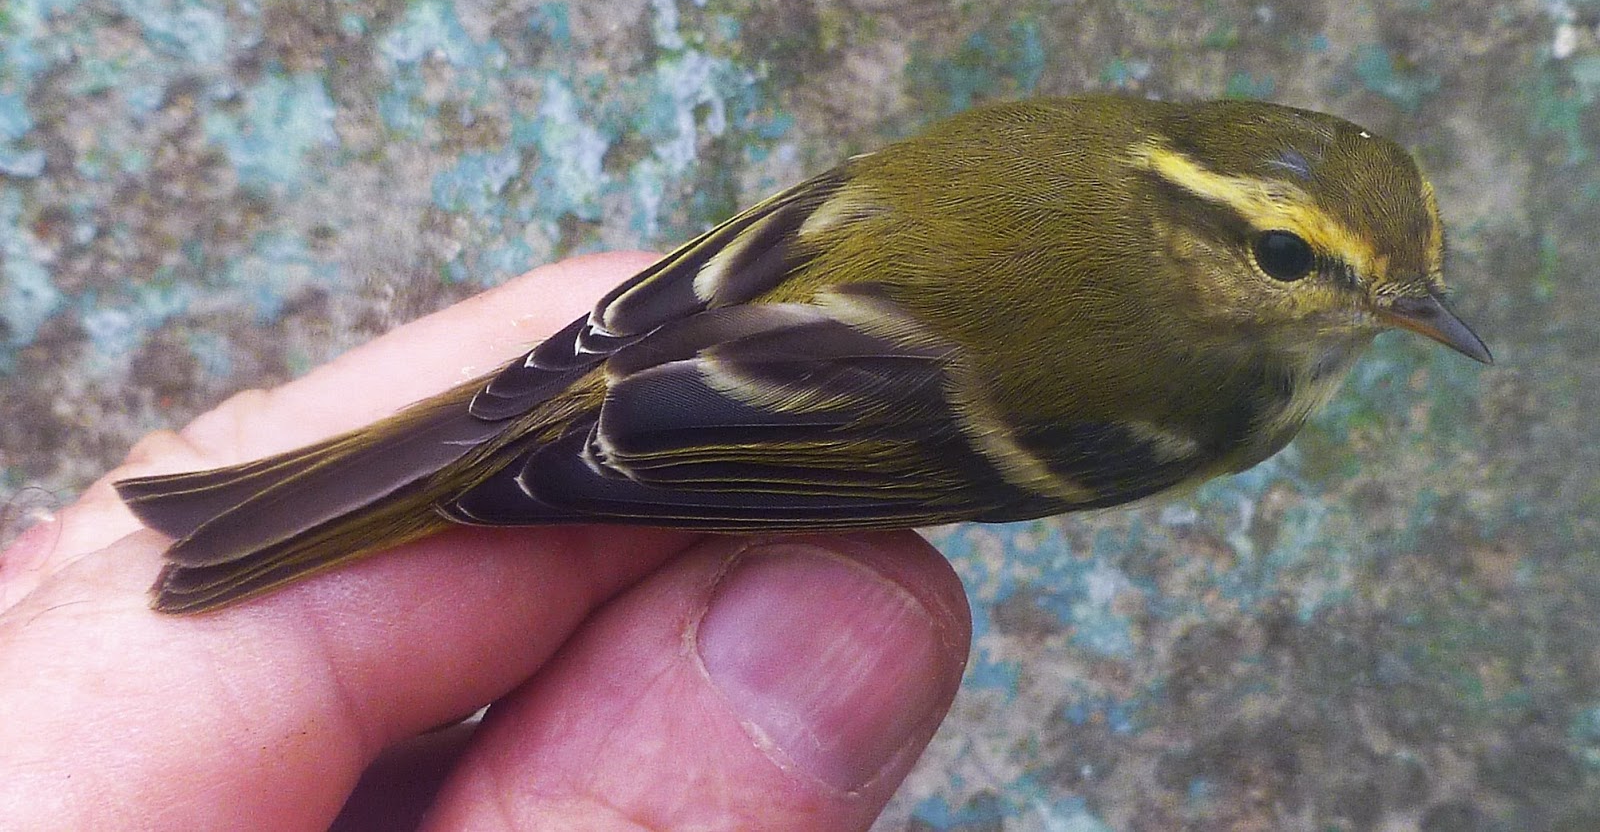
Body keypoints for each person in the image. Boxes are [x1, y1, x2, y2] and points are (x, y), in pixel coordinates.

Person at [0, 252, 972, 831]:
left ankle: (243, 519)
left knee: (469, 447)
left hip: (665, 308)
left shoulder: (1018, 155)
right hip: (749, 415)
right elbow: (914, 453)